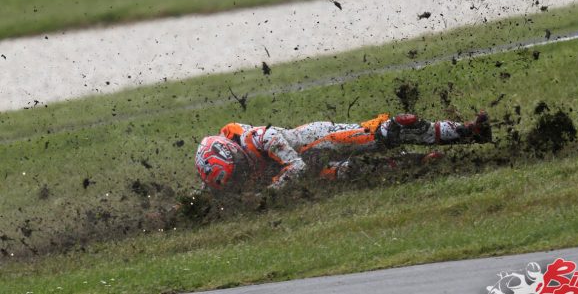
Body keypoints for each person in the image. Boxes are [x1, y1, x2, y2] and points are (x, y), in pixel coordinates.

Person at [195, 111, 491, 191]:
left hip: (319, 142)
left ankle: (467, 132)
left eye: (240, 171)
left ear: (233, 152)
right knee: (354, 173)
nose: (241, 177)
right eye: (235, 178)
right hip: (313, 172)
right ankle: (419, 163)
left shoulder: (260, 138)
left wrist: (266, 196)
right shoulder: (225, 180)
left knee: (387, 132)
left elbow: (296, 168)